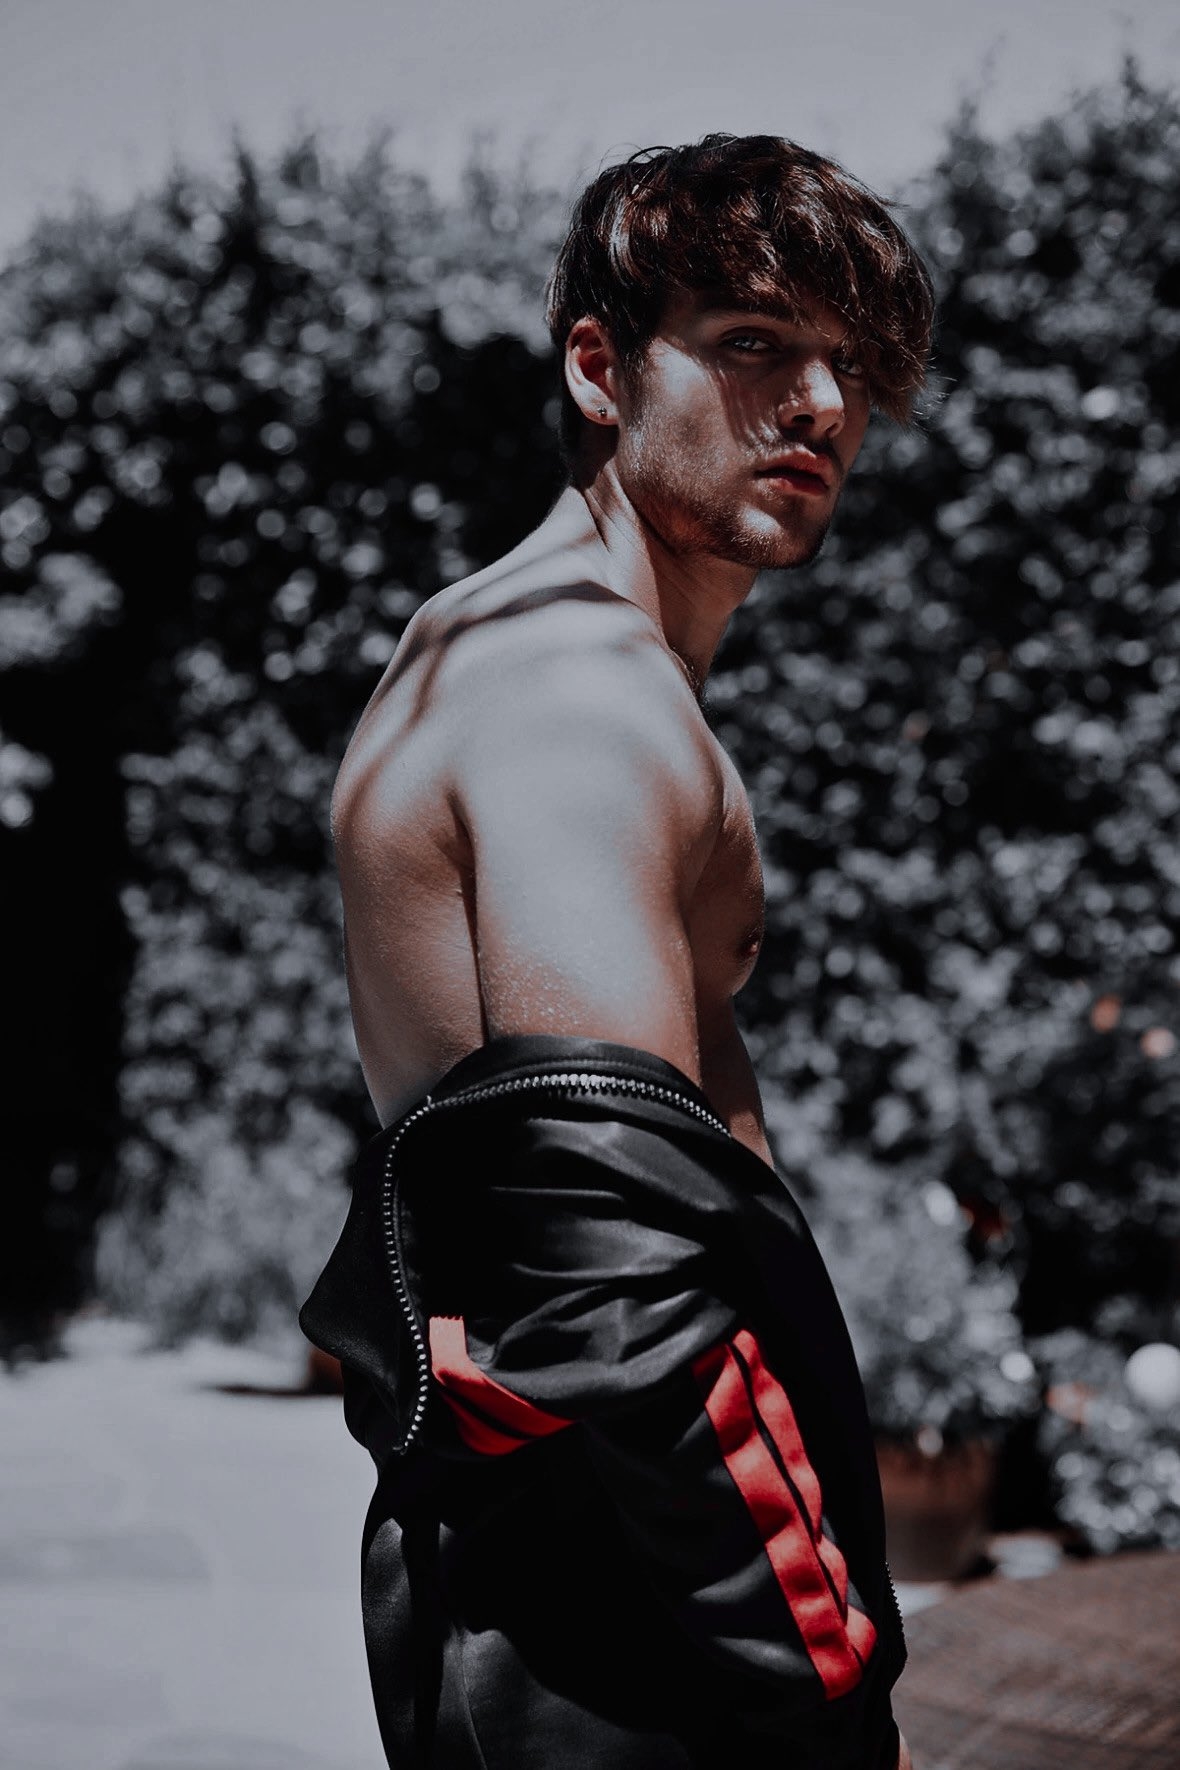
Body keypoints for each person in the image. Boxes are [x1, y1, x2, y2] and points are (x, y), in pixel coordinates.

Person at [302, 134, 933, 1769]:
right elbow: (620, 1282)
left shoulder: (497, 641)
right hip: (631, 1636)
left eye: (845, 364)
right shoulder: (577, 696)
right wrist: (828, 1685)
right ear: (601, 368)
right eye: (753, 344)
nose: (821, 404)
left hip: (571, 1591)